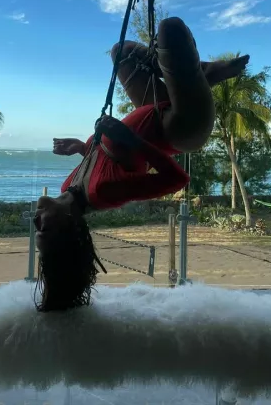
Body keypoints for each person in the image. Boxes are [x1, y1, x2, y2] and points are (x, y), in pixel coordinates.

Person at [33, 17, 249, 312]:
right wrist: (131, 140)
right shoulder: (104, 193)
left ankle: (198, 75)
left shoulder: (68, 186)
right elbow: (177, 179)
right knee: (170, 31)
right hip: (182, 125)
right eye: (42, 229)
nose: (36, 220)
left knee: (120, 51)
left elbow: (113, 161)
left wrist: (82, 148)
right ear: (68, 225)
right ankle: (195, 77)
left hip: (153, 107)